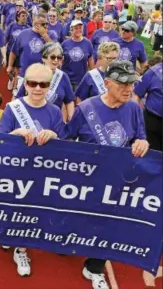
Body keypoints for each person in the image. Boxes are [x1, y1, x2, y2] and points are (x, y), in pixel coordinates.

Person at [64, 60, 149, 289]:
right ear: (107, 83)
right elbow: (66, 140)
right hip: (86, 182)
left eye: (132, 83)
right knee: (80, 221)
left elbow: (139, 136)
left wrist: (142, 142)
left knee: (108, 226)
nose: (129, 89)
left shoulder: (133, 108)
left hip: (117, 184)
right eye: (123, 84)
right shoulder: (86, 109)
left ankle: (94, 268)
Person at [0, 64, 65, 277]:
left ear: (49, 86)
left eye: (43, 84)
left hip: (41, 173)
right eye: (33, 83)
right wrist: (16, 132)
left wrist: (54, 136)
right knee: (14, 208)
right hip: (15, 171)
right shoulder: (13, 107)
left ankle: (21, 248)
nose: (37, 88)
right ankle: (12, 236)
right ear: (25, 84)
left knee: (31, 211)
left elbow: (66, 145)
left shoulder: (54, 111)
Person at [16, 42, 75, 122]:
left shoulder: (63, 77)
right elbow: (19, 98)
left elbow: (69, 101)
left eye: (59, 57)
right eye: (53, 57)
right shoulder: (33, 73)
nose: (56, 60)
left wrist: (71, 118)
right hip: (31, 120)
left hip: (53, 121)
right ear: (44, 58)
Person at [7, 13, 53, 92]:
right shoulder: (23, 34)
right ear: (36, 24)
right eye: (43, 24)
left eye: (46, 23)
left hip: (42, 75)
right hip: (24, 74)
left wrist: (45, 35)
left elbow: (54, 50)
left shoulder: (50, 34)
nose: (46, 26)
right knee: (18, 97)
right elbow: (14, 51)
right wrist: (10, 66)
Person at [133, 57, 162, 151]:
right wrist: (137, 119)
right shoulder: (153, 72)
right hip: (153, 122)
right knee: (153, 154)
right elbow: (136, 96)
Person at [61, 20, 95, 89]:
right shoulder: (65, 44)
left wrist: (93, 76)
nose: (78, 30)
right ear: (71, 30)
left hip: (81, 80)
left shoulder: (88, 43)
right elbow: (60, 60)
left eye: (80, 28)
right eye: (76, 28)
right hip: (67, 79)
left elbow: (90, 60)